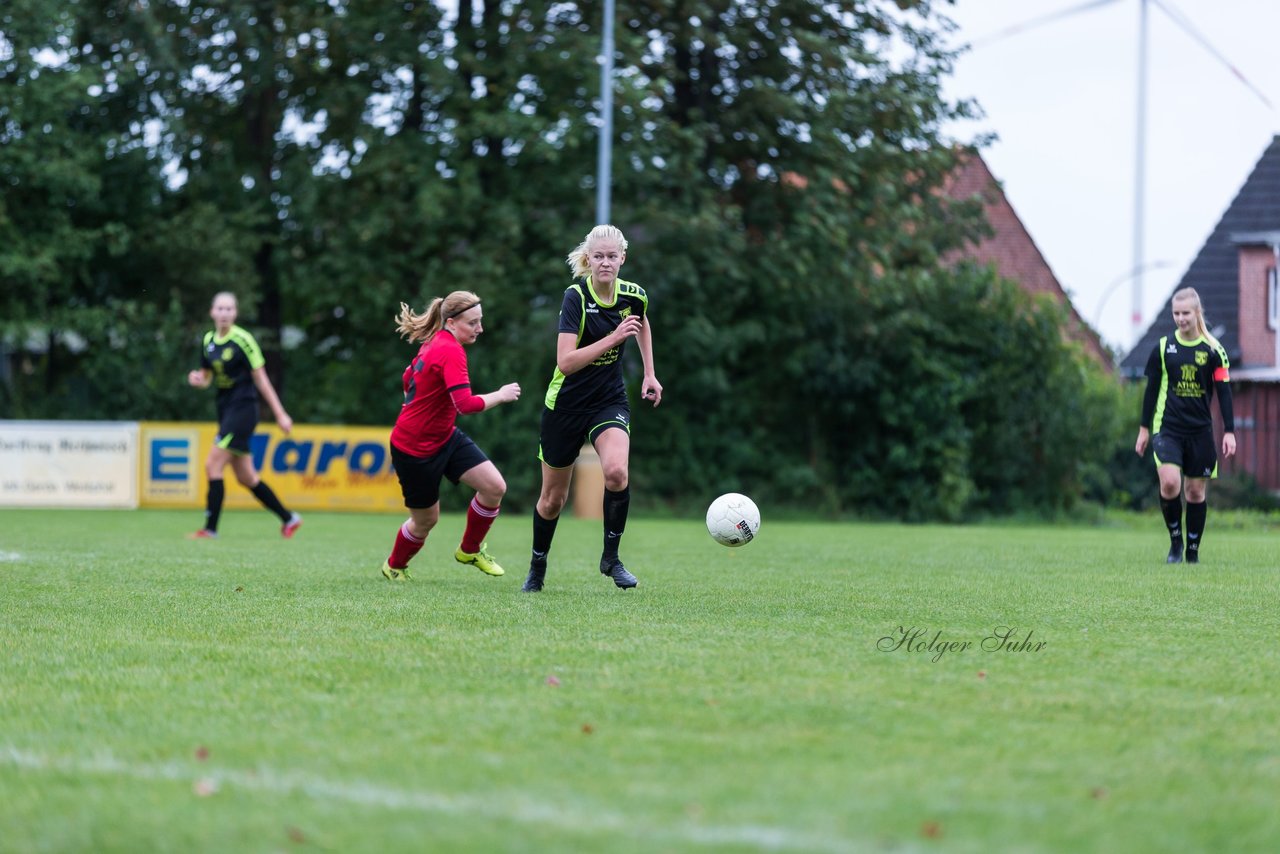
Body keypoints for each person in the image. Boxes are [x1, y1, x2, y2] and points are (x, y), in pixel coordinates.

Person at [522, 224, 662, 592]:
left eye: (612, 256)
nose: (605, 262)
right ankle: (537, 568)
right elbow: (565, 362)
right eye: (598, 256)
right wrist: (614, 338)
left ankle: (611, 559)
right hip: (565, 404)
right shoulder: (575, 298)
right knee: (553, 499)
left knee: (616, 472)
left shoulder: (633, 295)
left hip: (608, 400)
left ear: (622, 259)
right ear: (589, 259)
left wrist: (649, 373)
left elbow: (642, 321)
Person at [381, 291, 521, 581]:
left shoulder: (438, 342)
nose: (480, 328)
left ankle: (469, 550)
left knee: (494, 487)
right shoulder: (450, 349)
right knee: (425, 521)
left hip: (444, 436)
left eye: (480, 321)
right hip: (414, 449)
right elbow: (466, 405)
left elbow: (408, 376)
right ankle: (394, 567)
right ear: (452, 322)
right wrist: (501, 394)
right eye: (473, 323)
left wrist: (419, 404)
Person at [186, 292, 303, 539]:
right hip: (225, 408)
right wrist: (198, 380)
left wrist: (280, 414)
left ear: (235, 313)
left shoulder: (243, 340)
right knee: (246, 477)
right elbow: (206, 378)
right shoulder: (208, 340)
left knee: (212, 464)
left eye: (229, 309)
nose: (225, 313)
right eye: (220, 308)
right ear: (212, 312)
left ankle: (210, 529)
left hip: (244, 409)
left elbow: (261, 379)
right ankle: (289, 518)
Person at [1134, 287, 1235, 564]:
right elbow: (1151, 391)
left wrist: (1229, 431)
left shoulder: (1214, 350)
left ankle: (1192, 551)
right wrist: (1144, 429)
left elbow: (1224, 391)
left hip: (1200, 431)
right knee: (1169, 483)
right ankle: (1175, 543)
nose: (1180, 318)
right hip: (1168, 429)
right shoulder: (1164, 348)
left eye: (1185, 313)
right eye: (1176, 313)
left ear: (1197, 312)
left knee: (1194, 491)